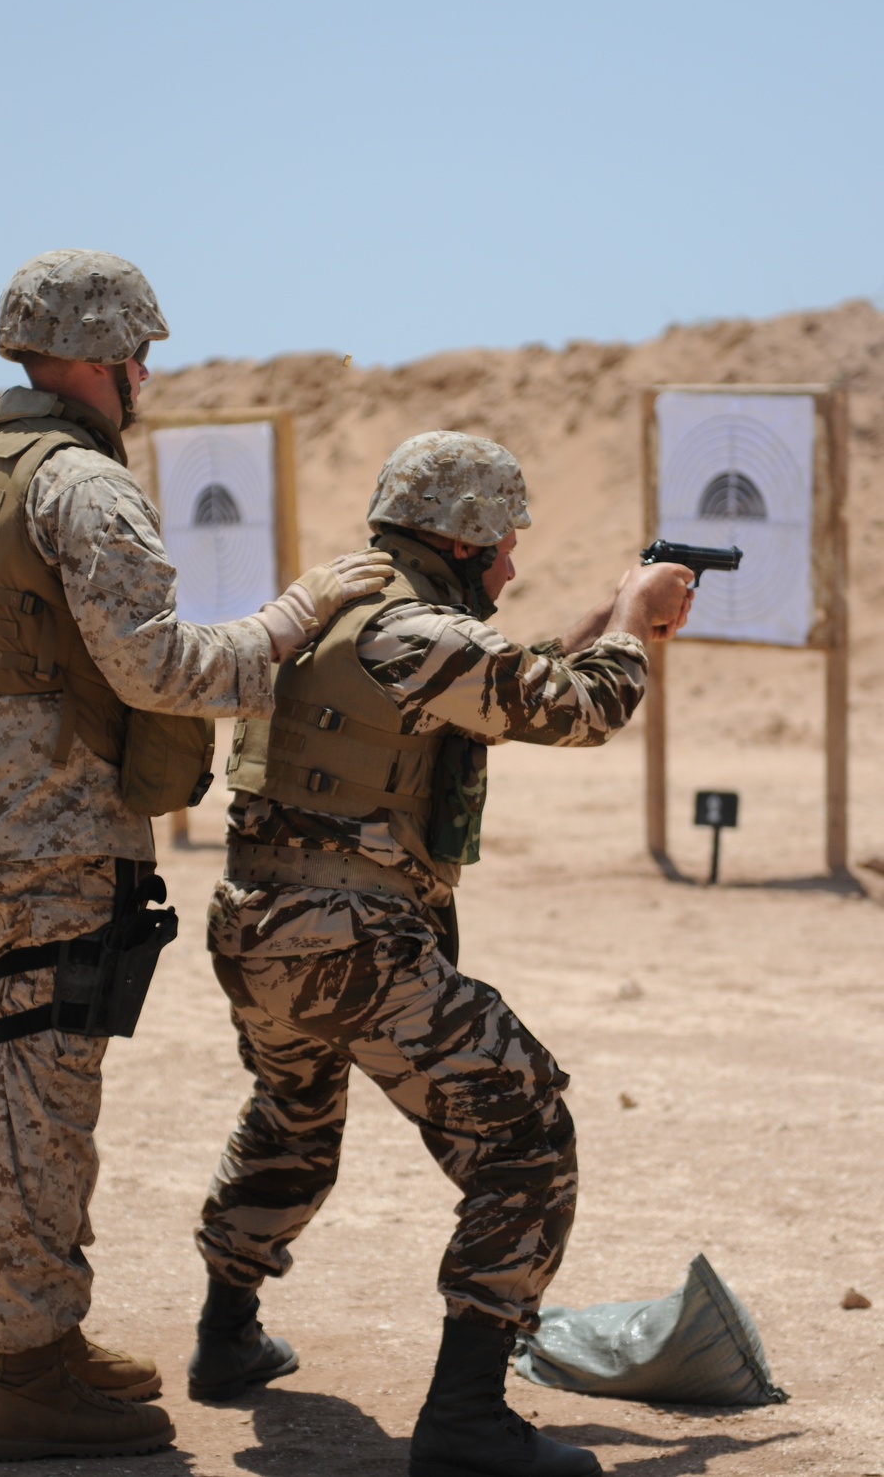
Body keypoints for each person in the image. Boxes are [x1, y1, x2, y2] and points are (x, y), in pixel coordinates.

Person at [0, 248, 392, 1462]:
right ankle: (30, 1376)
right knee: (42, 1106)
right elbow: (161, 668)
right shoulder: (82, 482)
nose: (146, 376)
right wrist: (300, 612)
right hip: (51, 846)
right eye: (140, 355)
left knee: (2, 1100)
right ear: (104, 355)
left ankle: (44, 1340)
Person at [189, 430, 694, 1477]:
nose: (509, 567)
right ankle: (467, 1421)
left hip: (259, 931)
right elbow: (579, 707)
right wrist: (639, 626)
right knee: (524, 1140)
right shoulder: (417, 631)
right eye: (501, 545)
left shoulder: (345, 612)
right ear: (457, 541)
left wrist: (609, 609)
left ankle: (225, 1333)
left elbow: (496, 680)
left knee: (291, 1115)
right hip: (349, 940)